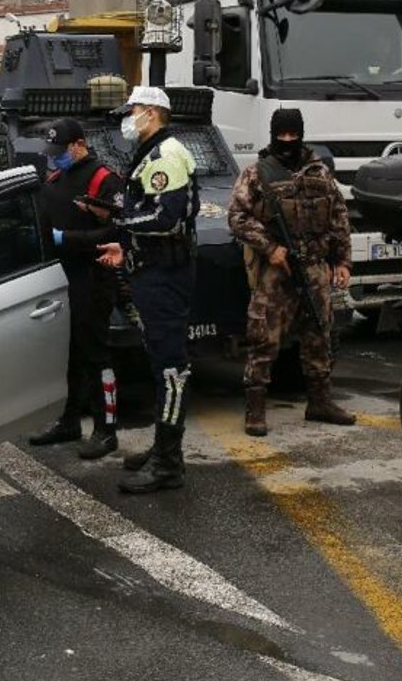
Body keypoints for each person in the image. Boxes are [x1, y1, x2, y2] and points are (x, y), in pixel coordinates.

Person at [96, 86, 200, 494]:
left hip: (166, 275)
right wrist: (124, 245)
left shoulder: (166, 155)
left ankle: (169, 464)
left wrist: (118, 224)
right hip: (151, 269)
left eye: (135, 109)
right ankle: (161, 447)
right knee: (160, 365)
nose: (130, 116)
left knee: (172, 369)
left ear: (153, 112)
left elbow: (165, 217)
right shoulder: (148, 154)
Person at [227, 108, 355, 436]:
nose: (287, 141)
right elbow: (238, 217)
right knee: (263, 338)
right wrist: (269, 247)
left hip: (314, 268)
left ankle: (320, 402)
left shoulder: (320, 173)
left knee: (319, 335)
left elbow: (339, 217)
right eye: (281, 135)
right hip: (277, 270)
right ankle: (255, 409)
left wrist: (342, 261)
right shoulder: (257, 174)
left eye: (292, 135)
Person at [28, 119, 125, 460]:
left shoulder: (104, 180)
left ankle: (106, 429)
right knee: (70, 353)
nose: (55, 159)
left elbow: (116, 233)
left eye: (60, 151)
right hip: (61, 278)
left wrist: (65, 239)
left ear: (79, 144)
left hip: (94, 278)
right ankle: (69, 421)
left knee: (97, 353)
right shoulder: (56, 179)